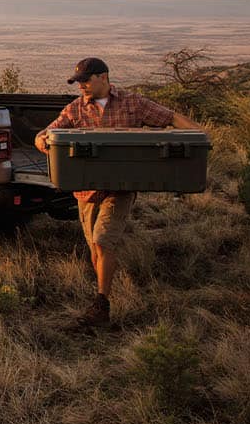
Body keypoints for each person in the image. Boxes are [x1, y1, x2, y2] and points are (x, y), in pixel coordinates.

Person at [34, 56, 202, 329]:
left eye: (86, 81)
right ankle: (102, 292)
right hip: (86, 191)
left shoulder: (133, 103)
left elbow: (169, 117)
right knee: (94, 249)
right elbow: (46, 133)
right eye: (78, 83)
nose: (82, 87)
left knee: (102, 241)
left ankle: (101, 303)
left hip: (120, 189)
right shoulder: (75, 110)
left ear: (104, 77)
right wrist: (42, 140)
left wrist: (200, 137)